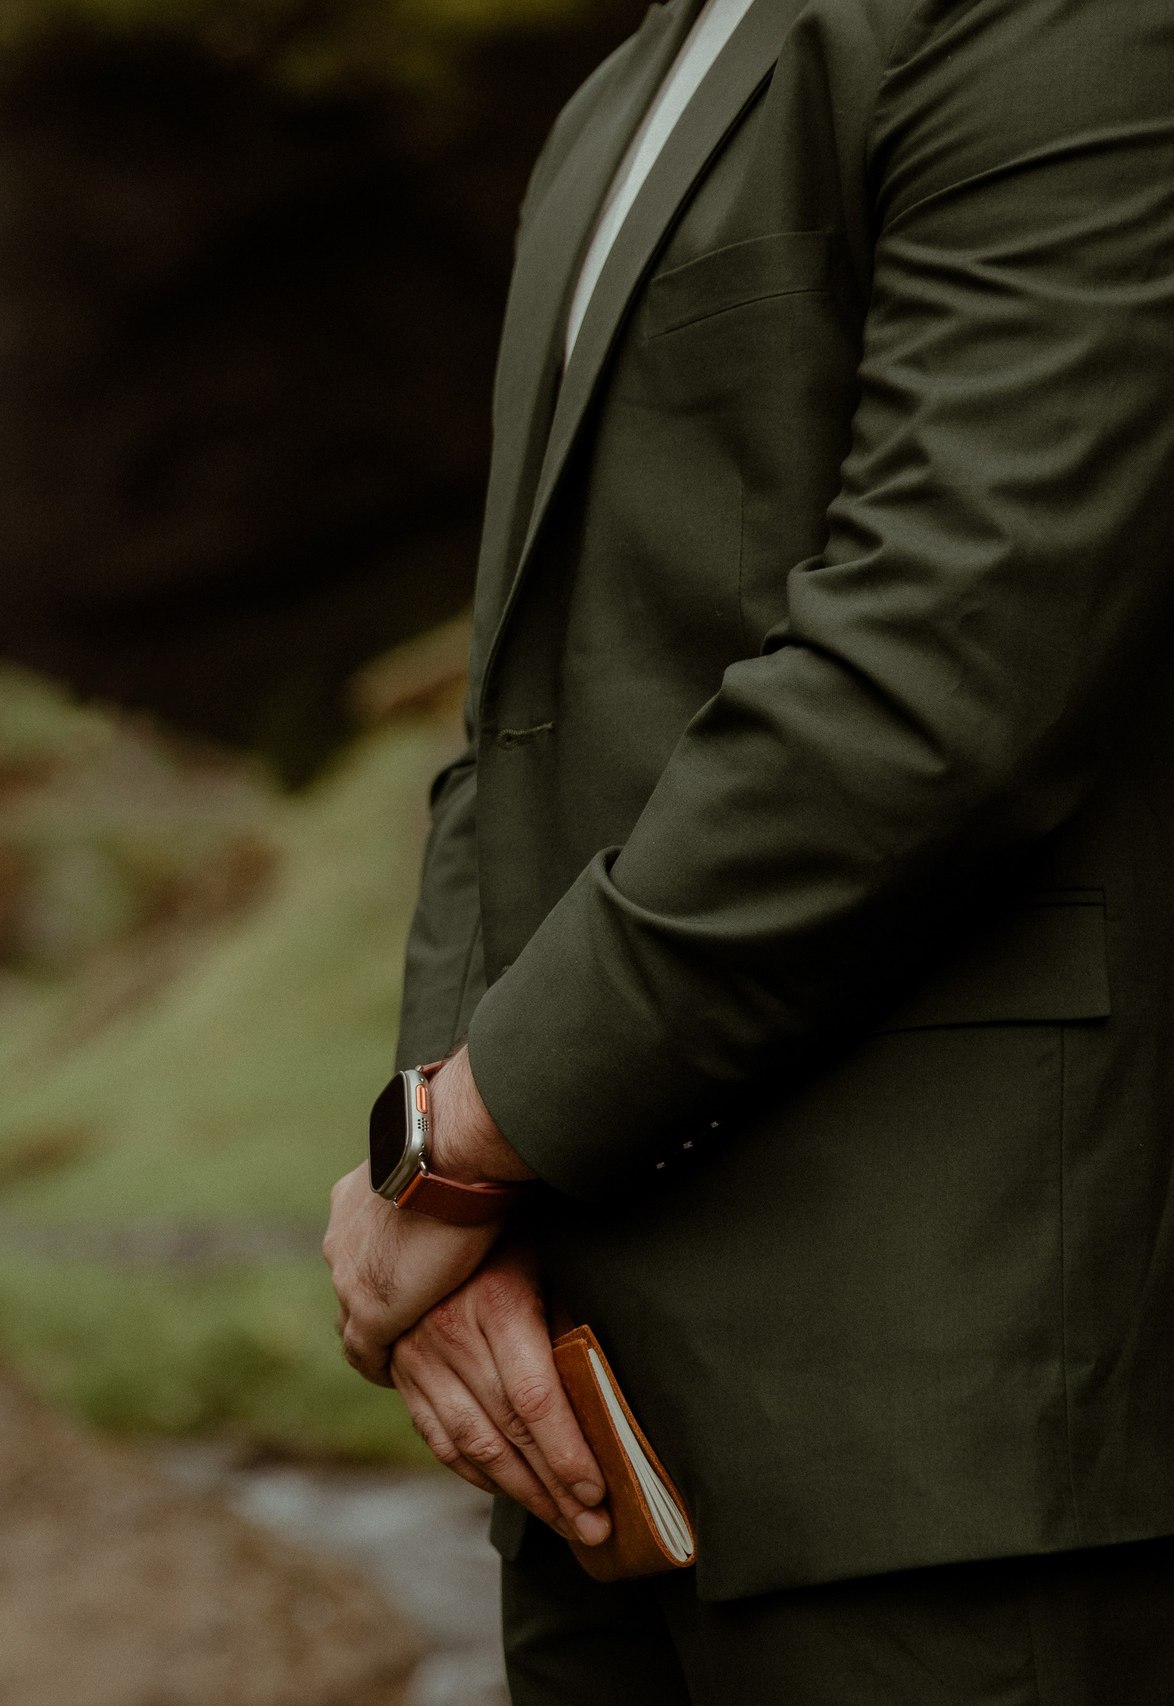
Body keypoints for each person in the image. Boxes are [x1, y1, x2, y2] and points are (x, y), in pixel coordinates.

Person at [318, 0, 1174, 1698]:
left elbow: (941, 673)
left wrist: (470, 1139)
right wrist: (446, 1191)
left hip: (946, 1420)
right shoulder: (620, 95)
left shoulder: (1061, 22)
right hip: (581, 1420)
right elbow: (512, 723)